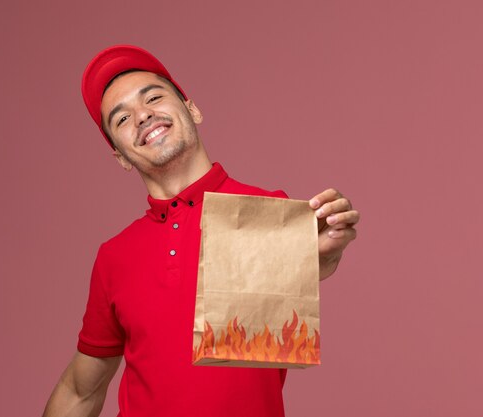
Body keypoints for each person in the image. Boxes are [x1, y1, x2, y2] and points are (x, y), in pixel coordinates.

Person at [42, 45, 360, 417]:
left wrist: (321, 252)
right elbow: (82, 389)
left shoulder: (266, 212)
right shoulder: (114, 257)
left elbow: (312, 267)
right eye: (122, 119)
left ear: (191, 108)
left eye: (154, 97)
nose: (142, 115)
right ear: (120, 156)